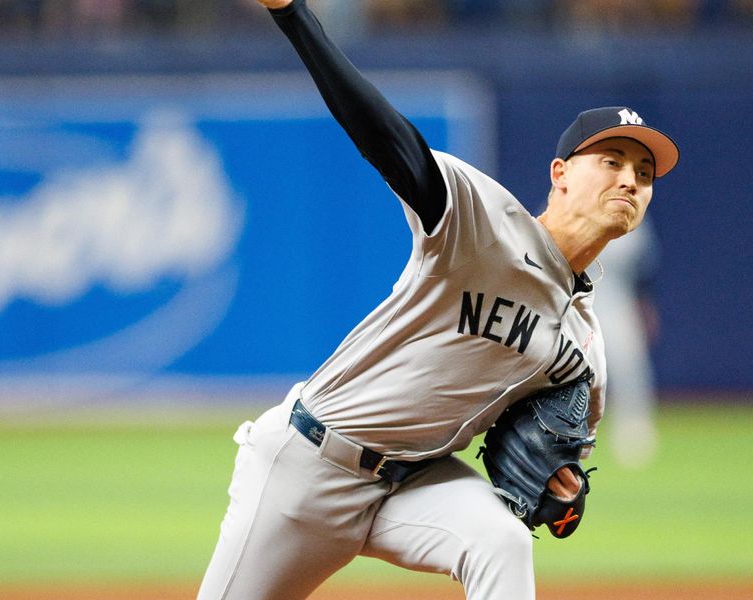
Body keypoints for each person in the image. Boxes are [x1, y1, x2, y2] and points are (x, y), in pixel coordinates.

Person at [197, 1, 679, 599]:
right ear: (559, 174)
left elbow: (558, 458)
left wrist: (562, 491)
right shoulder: (481, 224)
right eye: (612, 161)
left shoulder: (584, 344)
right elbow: (381, 133)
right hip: (309, 465)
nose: (630, 180)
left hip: (413, 484)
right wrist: (293, 14)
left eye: (645, 172)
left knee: (500, 541)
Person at [592, 218, 662, 467]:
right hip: (576, 300)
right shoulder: (560, 205)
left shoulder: (631, 214)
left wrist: (644, 304)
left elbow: (643, 270)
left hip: (618, 301)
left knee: (629, 369)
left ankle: (634, 434)